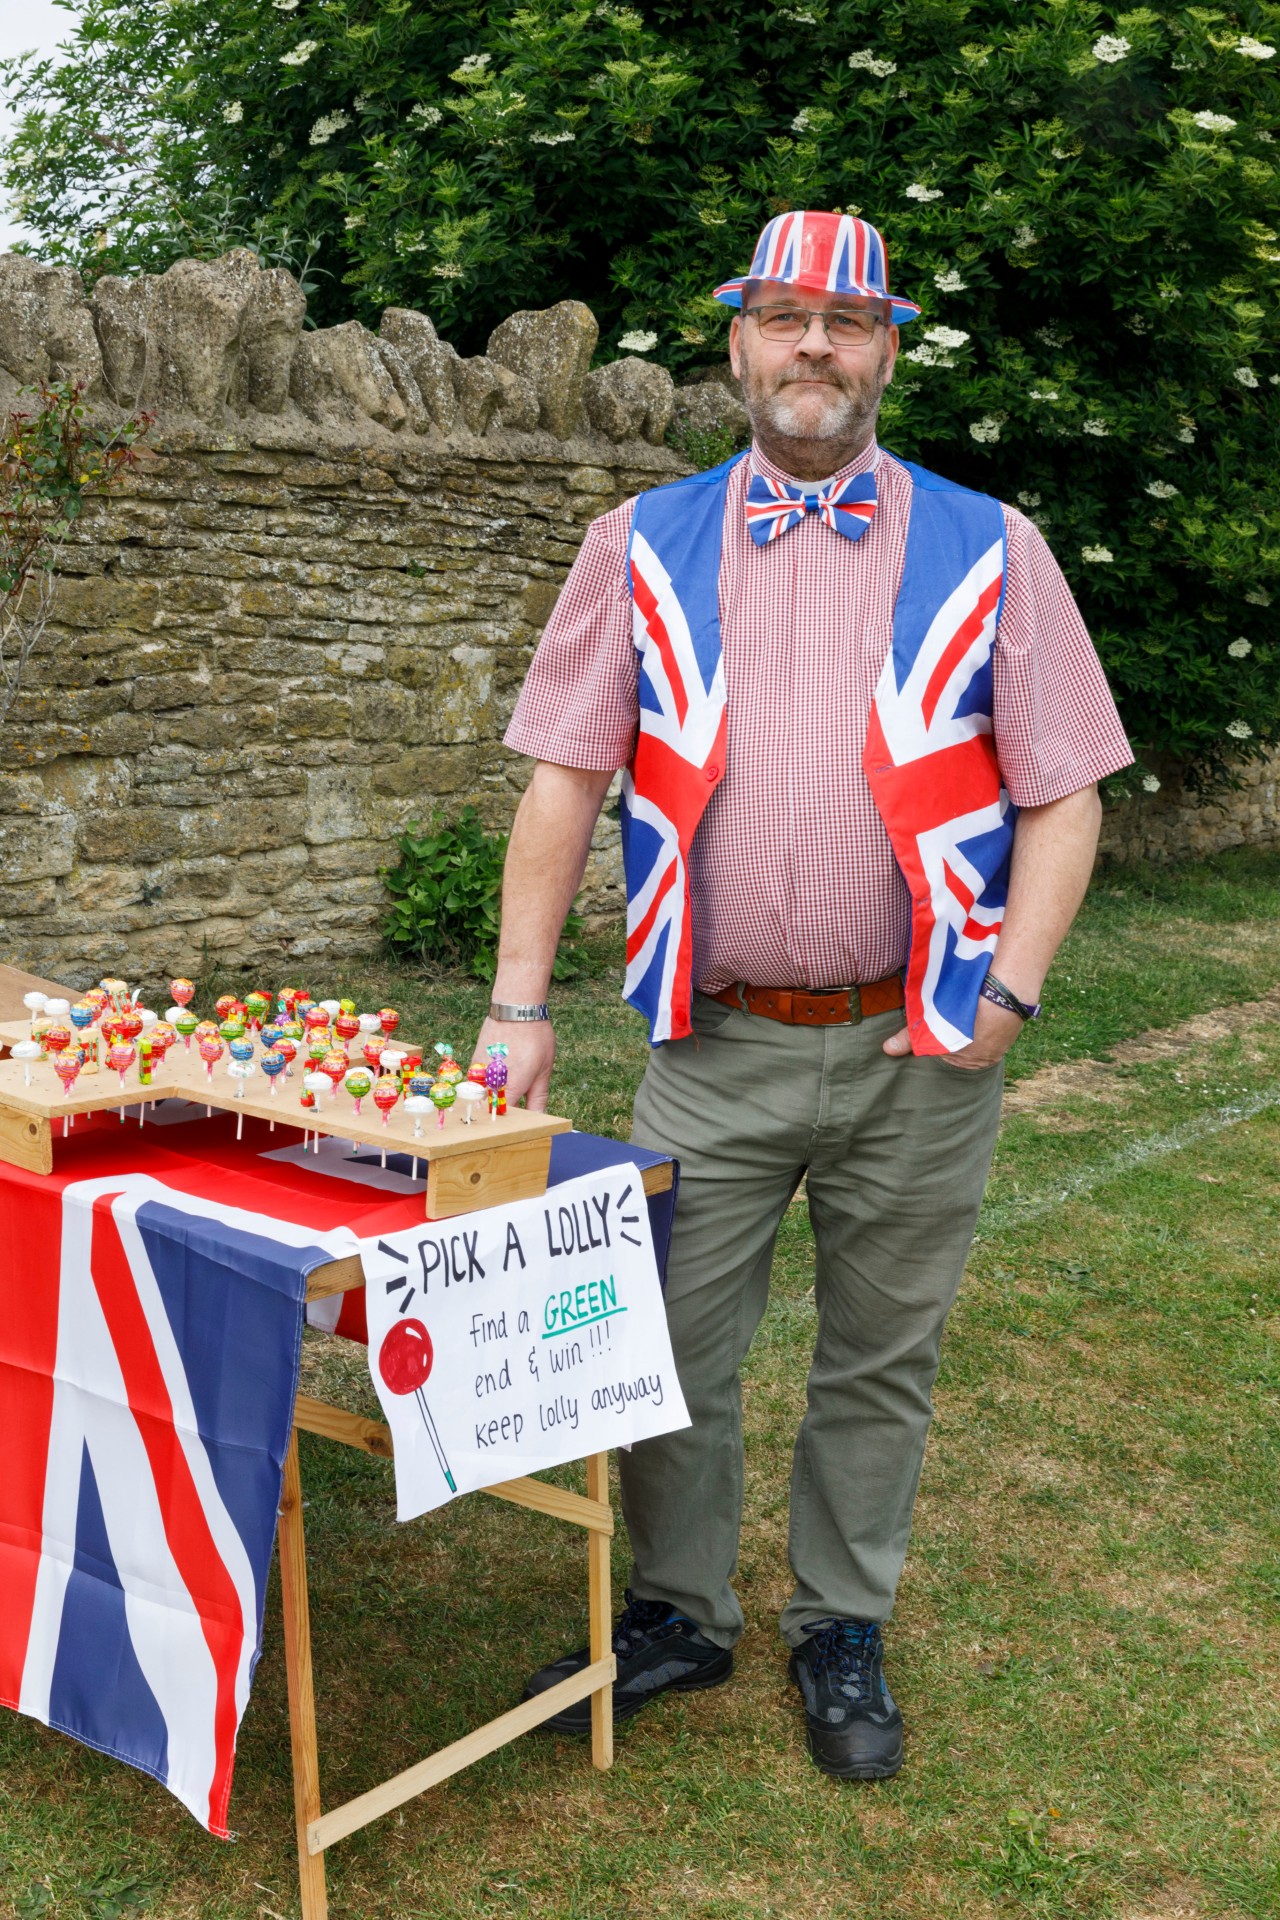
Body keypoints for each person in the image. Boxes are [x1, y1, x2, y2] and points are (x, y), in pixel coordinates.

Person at [470, 209, 1133, 1781]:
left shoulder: (995, 544)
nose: (812, 347)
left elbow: (1069, 793)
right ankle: (679, 1608)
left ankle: (842, 1619)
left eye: (844, 322)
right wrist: (517, 1002)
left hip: (923, 1045)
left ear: (888, 346)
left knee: (879, 1359)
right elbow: (565, 781)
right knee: (670, 1349)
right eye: (782, 318)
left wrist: (1013, 993)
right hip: (713, 1042)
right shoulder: (640, 541)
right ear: (739, 345)